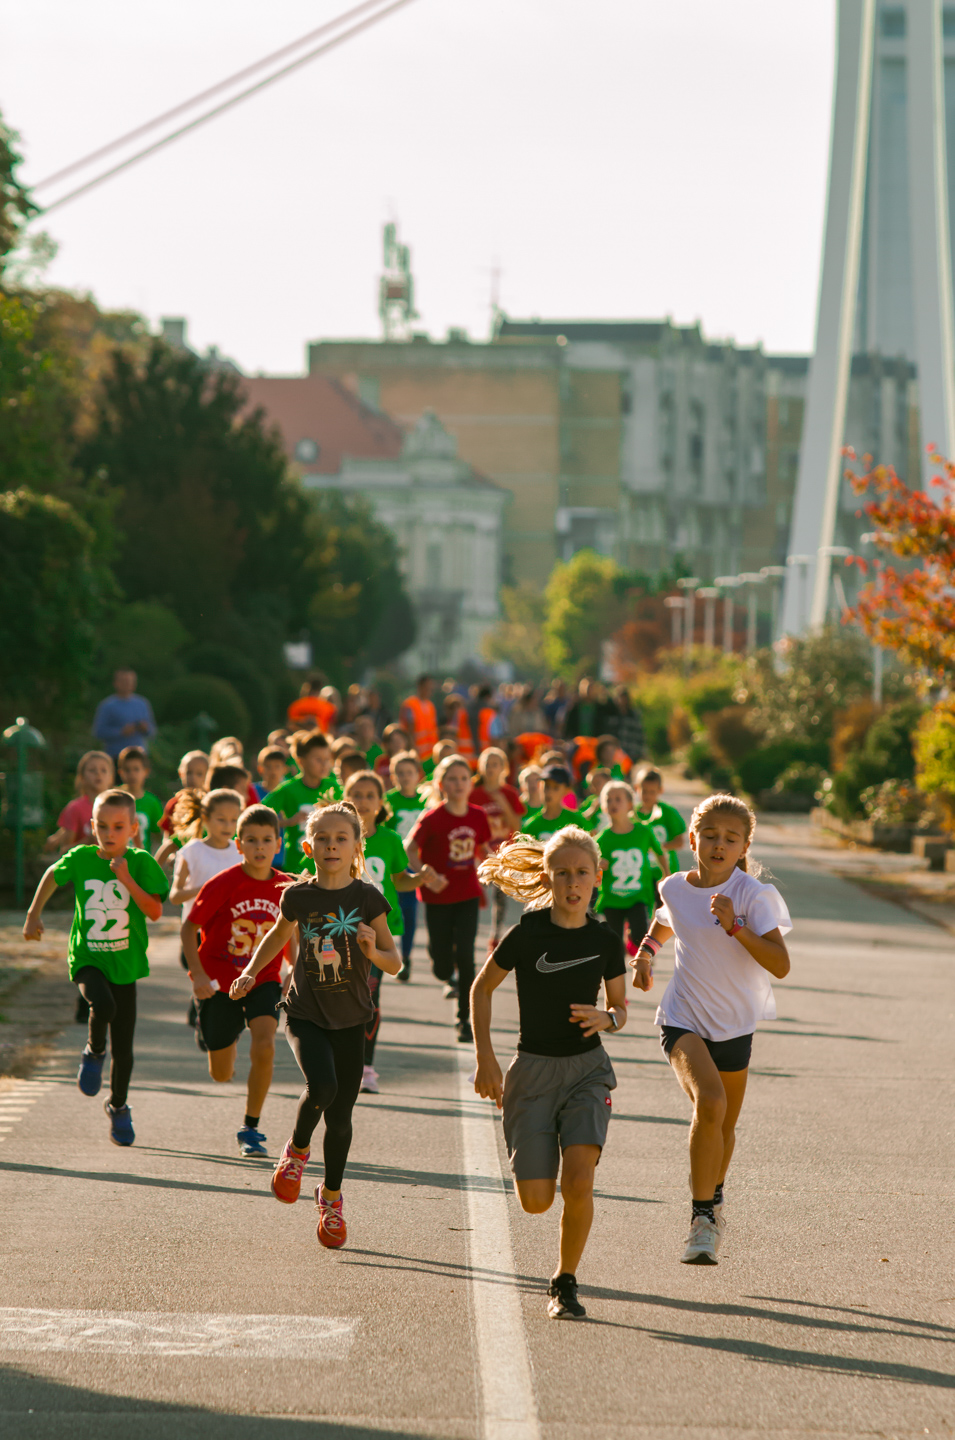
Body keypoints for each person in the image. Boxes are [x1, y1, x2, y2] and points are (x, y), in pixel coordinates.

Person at [471, 825, 627, 1320]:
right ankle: (539, 1152)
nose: (572, 882)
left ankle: (565, 1281)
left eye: (582, 873)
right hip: (532, 1071)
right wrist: (486, 1058)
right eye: (562, 873)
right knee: (537, 1201)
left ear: (597, 878)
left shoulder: (605, 939)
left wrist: (610, 1017)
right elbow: (480, 990)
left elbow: (622, 1009)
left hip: (587, 1071)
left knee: (579, 1181)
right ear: (548, 877)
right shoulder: (527, 933)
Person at [230, 802, 401, 1247]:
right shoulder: (298, 896)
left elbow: (395, 962)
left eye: (341, 838)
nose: (331, 845)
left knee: (341, 1117)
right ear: (308, 846)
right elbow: (277, 935)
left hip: (352, 1017)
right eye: (322, 838)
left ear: (356, 847)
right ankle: (295, 1153)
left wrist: (371, 952)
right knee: (321, 1088)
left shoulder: (367, 898)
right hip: (305, 1013)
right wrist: (251, 971)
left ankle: (331, 1199)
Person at [631, 793, 792, 1266]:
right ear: (694, 838)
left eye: (731, 838)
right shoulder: (675, 887)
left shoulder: (753, 896)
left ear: (744, 846)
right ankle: (701, 1221)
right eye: (711, 835)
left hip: (736, 1025)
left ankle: (713, 1198)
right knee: (712, 1102)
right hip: (682, 1017)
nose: (719, 844)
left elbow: (780, 964)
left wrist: (736, 928)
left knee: (724, 1126)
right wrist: (646, 951)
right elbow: (667, 919)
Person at [23, 788, 168, 1145]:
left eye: (119, 826)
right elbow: (52, 876)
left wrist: (127, 879)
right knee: (101, 1005)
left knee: (126, 1049)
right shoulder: (82, 857)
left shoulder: (142, 863)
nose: (109, 833)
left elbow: (155, 911)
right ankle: (93, 1050)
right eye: (102, 826)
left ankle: (118, 1106)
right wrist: (33, 913)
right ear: (92, 825)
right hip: (88, 957)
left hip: (126, 963)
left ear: (133, 829)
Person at [181, 804, 293, 1156]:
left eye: (266, 840)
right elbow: (189, 928)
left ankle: (251, 1127)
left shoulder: (286, 886)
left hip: (264, 979)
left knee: (265, 1044)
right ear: (238, 845)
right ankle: (205, 1021)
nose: (259, 847)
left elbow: (291, 936)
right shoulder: (223, 883)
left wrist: (292, 971)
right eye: (251, 840)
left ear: (278, 843)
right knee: (221, 1073)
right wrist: (197, 974)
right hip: (220, 982)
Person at [343, 771, 442, 1092]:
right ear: (346, 798)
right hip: (340, 928)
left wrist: (419, 878)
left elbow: (399, 880)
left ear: (380, 803)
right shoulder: (337, 836)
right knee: (341, 995)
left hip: (379, 929)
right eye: (356, 794)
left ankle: (365, 1067)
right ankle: (340, 1061)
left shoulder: (389, 840)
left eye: (370, 795)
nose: (363, 800)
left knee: (370, 996)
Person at [406, 755, 490, 1042]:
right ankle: (445, 973)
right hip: (437, 896)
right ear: (441, 784)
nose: (458, 784)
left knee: (466, 956)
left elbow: (482, 849)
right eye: (451, 779)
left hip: (467, 893)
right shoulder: (432, 818)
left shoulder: (478, 815)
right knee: (441, 961)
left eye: (463, 778)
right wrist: (426, 873)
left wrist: (497, 868)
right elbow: (410, 849)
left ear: (470, 784)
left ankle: (464, 1019)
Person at [168, 788, 243, 1039]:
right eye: (221, 819)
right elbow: (175, 895)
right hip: (196, 929)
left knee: (220, 981)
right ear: (206, 818)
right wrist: (203, 890)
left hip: (230, 931)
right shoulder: (191, 851)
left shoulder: (240, 851)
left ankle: (206, 1015)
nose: (228, 826)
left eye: (234, 820)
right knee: (203, 976)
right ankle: (202, 1011)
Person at [595, 781, 667, 953]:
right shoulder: (602, 839)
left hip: (639, 895)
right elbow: (591, 863)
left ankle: (644, 968)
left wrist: (666, 875)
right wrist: (598, 865)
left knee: (641, 934)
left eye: (618, 799)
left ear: (629, 804)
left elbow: (660, 852)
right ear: (604, 806)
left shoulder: (643, 831)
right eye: (608, 800)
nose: (612, 803)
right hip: (612, 898)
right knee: (613, 943)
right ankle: (616, 973)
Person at [469, 746, 526, 954]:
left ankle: (495, 934)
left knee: (500, 896)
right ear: (481, 768)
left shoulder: (510, 794)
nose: (491, 768)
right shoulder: (474, 794)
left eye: (495, 764)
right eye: (487, 764)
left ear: (503, 768)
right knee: (475, 894)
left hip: (504, 853)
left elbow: (517, 827)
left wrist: (503, 802)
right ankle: (470, 931)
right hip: (479, 853)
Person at [265, 731, 341, 875]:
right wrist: (287, 822)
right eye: (318, 759)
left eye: (327, 759)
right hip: (295, 867)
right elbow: (259, 816)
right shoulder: (288, 789)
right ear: (301, 761)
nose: (324, 764)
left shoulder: (334, 787)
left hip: (327, 866)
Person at [385, 750, 428, 980]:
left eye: (409, 772)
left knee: (410, 912)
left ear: (418, 775)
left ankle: (407, 957)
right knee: (389, 909)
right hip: (392, 865)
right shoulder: (388, 801)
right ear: (393, 776)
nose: (405, 777)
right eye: (399, 773)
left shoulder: (426, 799)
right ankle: (387, 953)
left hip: (416, 864)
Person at [44, 752, 115, 854]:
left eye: (103, 770)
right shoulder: (75, 808)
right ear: (82, 777)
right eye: (92, 770)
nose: (98, 774)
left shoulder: (119, 807)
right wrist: (88, 841)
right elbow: (64, 852)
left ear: (111, 778)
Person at [634, 766, 687, 886]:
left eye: (652, 792)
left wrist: (657, 848)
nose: (647, 796)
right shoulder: (632, 814)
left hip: (666, 871)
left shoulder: (668, 812)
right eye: (644, 791)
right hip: (641, 873)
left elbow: (679, 842)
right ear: (636, 788)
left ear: (660, 790)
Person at [92, 668, 157, 760]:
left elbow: (152, 731)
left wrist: (145, 728)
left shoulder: (143, 704)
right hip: (115, 756)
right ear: (115, 683)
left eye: (130, 681)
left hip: (139, 757)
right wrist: (121, 732)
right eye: (124, 681)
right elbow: (98, 732)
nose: (127, 684)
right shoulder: (107, 705)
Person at [522, 766, 588, 843]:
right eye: (547, 786)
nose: (549, 792)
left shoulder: (578, 821)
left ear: (567, 790)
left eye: (555, 787)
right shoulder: (531, 826)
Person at [117, 746, 163, 854]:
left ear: (146, 771)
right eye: (127, 770)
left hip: (139, 862)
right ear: (120, 772)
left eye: (136, 769)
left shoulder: (152, 802)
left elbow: (160, 836)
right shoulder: (114, 798)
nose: (132, 774)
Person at [157, 751, 209, 845]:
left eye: (199, 774)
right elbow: (167, 837)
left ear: (207, 776)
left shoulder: (210, 804)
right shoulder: (174, 804)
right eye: (189, 773)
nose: (193, 778)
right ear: (181, 774)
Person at [400, 675, 439, 762]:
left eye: (431, 687)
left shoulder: (430, 706)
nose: (429, 690)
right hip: (418, 754)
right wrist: (413, 749)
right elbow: (409, 730)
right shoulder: (410, 704)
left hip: (431, 754)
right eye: (427, 687)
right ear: (420, 687)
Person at [561, 677, 610, 743]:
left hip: (595, 743)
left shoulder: (600, 708)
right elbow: (567, 728)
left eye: (590, 688)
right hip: (578, 744)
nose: (588, 690)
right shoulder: (574, 708)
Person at [607, 684, 645, 763]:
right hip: (616, 754)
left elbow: (639, 735)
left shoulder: (634, 715)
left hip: (632, 753)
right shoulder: (611, 715)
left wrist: (640, 752)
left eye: (624, 698)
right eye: (620, 698)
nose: (622, 701)